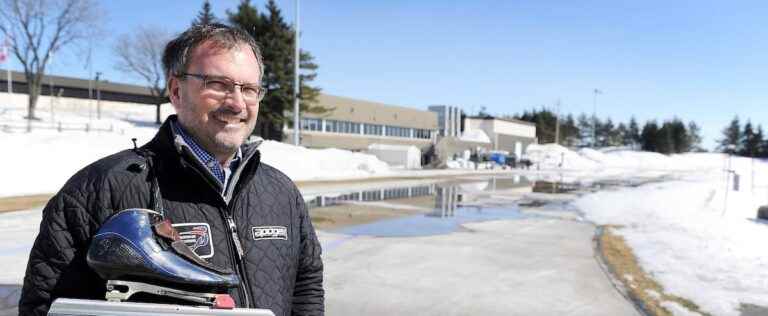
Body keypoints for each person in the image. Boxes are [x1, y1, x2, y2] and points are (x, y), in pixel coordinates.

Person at [18, 23, 324, 316]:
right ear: (176, 91)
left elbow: (306, 286)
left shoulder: (281, 192)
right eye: (217, 84)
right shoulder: (98, 189)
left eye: (249, 88)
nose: (237, 103)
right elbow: (45, 304)